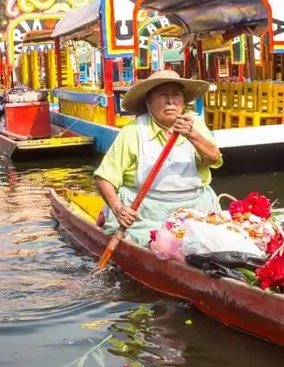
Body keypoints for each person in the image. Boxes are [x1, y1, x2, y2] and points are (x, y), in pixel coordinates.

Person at [94, 69, 223, 245]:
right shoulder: (134, 131)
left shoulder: (195, 123)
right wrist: (118, 209)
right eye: (163, 95)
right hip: (145, 214)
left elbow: (213, 159)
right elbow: (104, 178)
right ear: (148, 102)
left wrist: (192, 135)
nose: (170, 101)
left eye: (176, 94)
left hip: (195, 209)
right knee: (150, 243)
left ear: (184, 101)